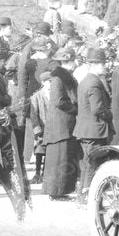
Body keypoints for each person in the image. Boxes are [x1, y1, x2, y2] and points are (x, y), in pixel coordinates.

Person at [37, 50, 80, 199]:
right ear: (67, 62)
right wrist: (76, 109)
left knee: (63, 158)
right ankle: (56, 192)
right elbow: (59, 101)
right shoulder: (58, 79)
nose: (76, 63)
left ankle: (60, 190)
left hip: (64, 124)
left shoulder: (63, 77)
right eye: (74, 60)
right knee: (59, 159)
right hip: (61, 124)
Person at [76, 46, 113, 158]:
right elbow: (97, 108)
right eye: (102, 64)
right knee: (93, 166)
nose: (104, 66)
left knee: (88, 166)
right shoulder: (94, 82)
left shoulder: (85, 80)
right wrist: (110, 115)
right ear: (92, 65)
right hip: (95, 132)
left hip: (88, 131)